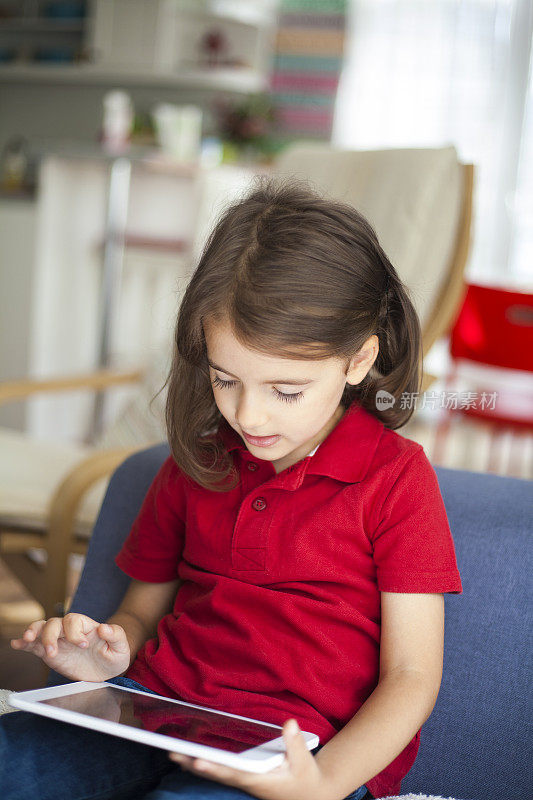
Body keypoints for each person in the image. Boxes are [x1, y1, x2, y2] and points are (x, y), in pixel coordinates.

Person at [3, 177, 462, 800]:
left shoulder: (397, 479)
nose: (249, 416)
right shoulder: (197, 460)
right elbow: (143, 610)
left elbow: (411, 677)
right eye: (225, 379)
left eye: (286, 390)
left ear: (357, 361)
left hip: (297, 751)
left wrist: (323, 784)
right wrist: (109, 657)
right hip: (154, 711)